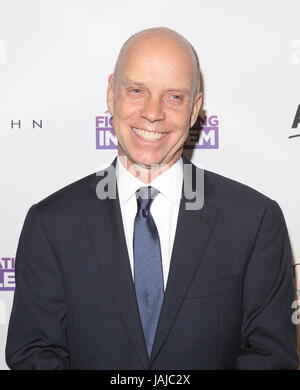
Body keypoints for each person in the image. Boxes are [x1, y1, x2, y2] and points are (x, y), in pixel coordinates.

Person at [5, 27, 299, 370]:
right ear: (111, 94)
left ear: (195, 109)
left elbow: (271, 356)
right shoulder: (51, 224)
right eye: (136, 90)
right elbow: (35, 356)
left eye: (174, 96)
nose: (152, 112)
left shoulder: (255, 221)